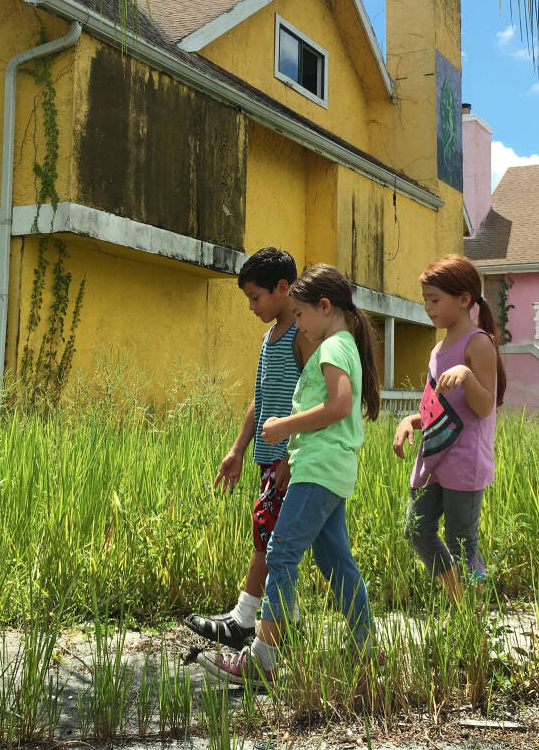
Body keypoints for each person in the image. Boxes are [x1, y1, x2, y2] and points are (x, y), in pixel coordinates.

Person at [199, 263, 381, 687]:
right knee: (335, 558)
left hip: (318, 467)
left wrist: (283, 427)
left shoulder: (334, 347)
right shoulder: (340, 345)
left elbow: (337, 406)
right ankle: (367, 647)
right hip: (328, 468)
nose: (297, 323)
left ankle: (262, 659)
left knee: (281, 553)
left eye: (300, 315)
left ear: (324, 306)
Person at [183, 248, 312, 650]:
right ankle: (284, 622)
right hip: (267, 458)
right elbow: (260, 399)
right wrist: (238, 449)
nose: (252, 307)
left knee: (269, 537)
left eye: (256, 298)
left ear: (282, 288)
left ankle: (244, 619)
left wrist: (294, 455)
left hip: (290, 460)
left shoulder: (301, 337)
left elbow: (312, 399)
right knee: (275, 537)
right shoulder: (269, 337)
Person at [392, 254, 504, 603]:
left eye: (434, 299)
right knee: (415, 529)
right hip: (434, 456)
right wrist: (409, 421)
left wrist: (468, 376)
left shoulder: (478, 343)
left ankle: (475, 618)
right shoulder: (438, 348)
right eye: (425, 299)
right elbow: (434, 406)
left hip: (465, 461)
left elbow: (485, 406)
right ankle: (459, 598)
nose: (427, 307)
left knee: (461, 540)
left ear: (464, 299)